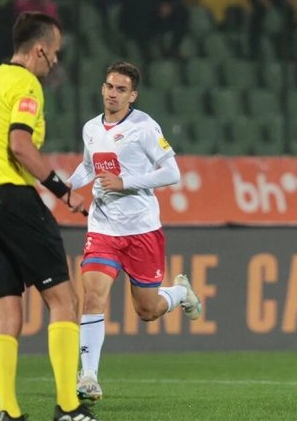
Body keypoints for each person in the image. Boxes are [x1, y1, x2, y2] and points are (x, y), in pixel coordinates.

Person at [0, 11, 99, 421]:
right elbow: (19, 144)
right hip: (12, 201)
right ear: (39, 50)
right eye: (54, 56)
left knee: (7, 311)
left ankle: (8, 412)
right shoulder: (25, 84)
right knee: (63, 300)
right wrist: (63, 192)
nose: (54, 64)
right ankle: (69, 407)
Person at [68, 61, 203, 401]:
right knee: (93, 296)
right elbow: (88, 168)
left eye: (121, 90)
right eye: (109, 87)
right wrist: (66, 188)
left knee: (147, 311)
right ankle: (88, 376)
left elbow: (171, 173)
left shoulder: (144, 127)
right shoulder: (91, 129)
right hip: (102, 226)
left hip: (142, 230)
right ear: (102, 88)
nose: (113, 94)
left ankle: (179, 294)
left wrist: (126, 182)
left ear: (133, 96)